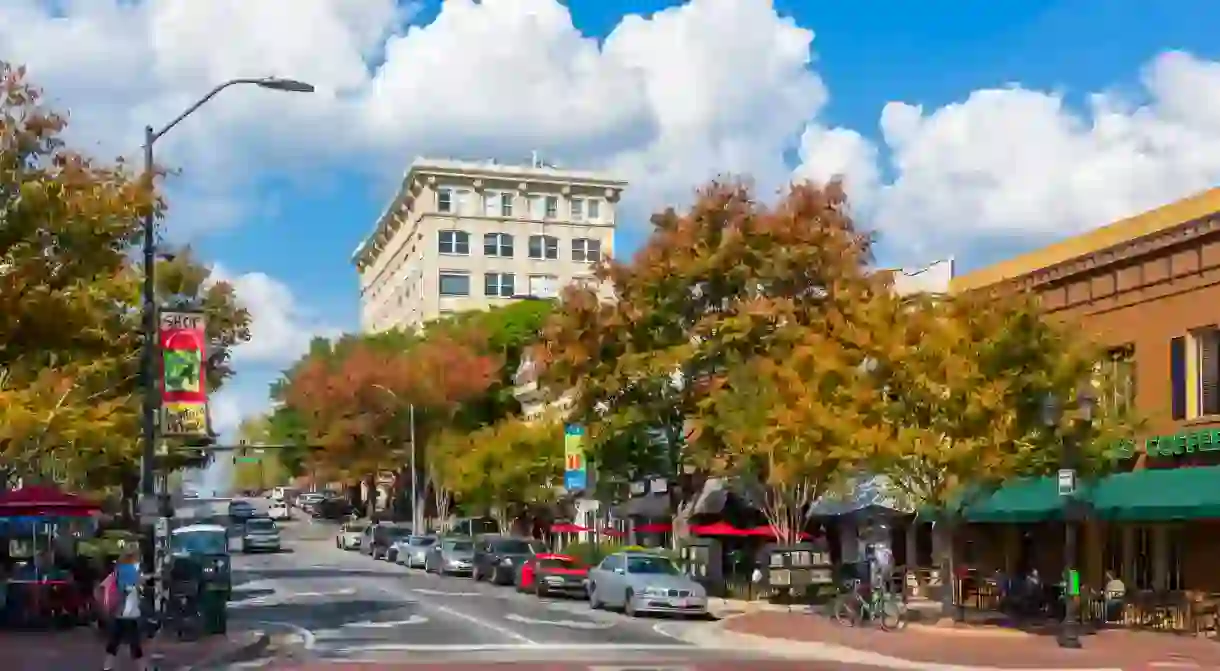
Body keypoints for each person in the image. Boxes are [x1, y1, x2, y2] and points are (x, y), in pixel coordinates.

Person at [103, 548, 146, 671]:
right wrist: (138, 585)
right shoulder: (130, 572)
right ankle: (142, 668)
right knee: (134, 642)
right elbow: (129, 589)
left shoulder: (119, 570)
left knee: (115, 640)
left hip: (120, 612)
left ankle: (107, 666)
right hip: (128, 612)